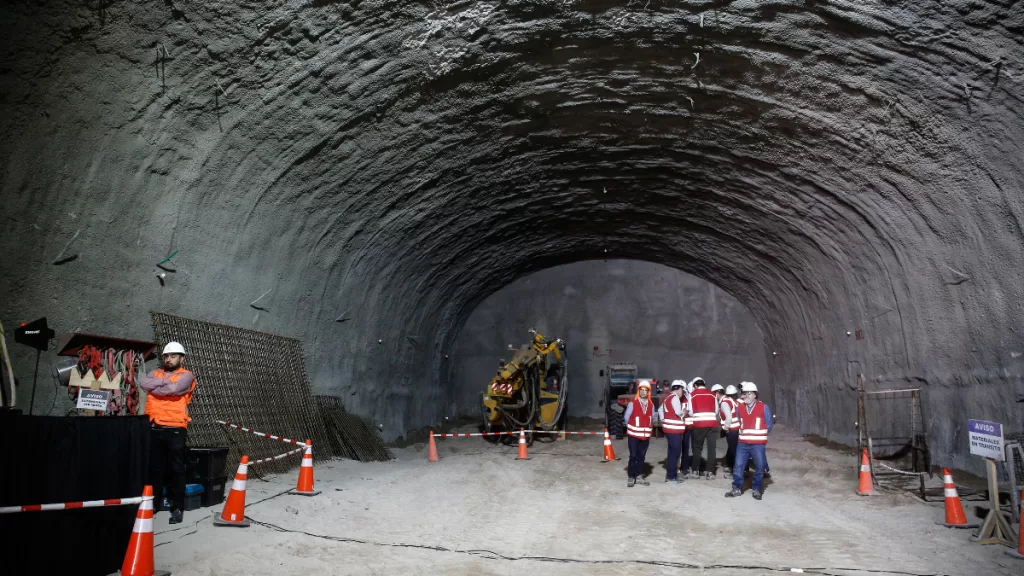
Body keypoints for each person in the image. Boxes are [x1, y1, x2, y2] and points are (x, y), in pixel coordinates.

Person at [140, 342, 197, 524]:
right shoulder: (156, 373)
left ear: (182, 358)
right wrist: (165, 382)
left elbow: (175, 389)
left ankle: (177, 507)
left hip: (175, 428)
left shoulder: (187, 375)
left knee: (176, 470)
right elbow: (143, 383)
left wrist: (158, 387)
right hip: (154, 426)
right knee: (154, 470)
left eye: (173, 356)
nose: (169, 359)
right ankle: (152, 506)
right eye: (166, 356)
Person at [725, 382, 772, 500]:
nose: (746, 395)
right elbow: (741, 422)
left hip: (758, 444)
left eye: (749, 393)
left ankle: (756, 489)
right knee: (738, 466)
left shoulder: (763, 407)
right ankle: (737, 488)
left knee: (759, 467)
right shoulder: (740, 407)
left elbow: (769, 425)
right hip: (743, 443)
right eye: (744, 393)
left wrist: (758, 435)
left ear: (755, 395)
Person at [623, 379, 654, 487]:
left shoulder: (651, 405)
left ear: (648, 392)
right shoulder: (633, 404)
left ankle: (639, 476)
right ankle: (632, 477)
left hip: (645, 437)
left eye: (646, 390)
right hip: (634, 436)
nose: (643, 392)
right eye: (641, 390)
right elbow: (626, 418)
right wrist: (632, 428)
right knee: (633, 456)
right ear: (639, 391)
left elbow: (652, 418)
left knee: (642, 457)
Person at [689, 378, 719, 478]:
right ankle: (710, 472)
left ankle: (695, 471)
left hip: (699, 424)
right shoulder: (712, 394)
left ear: (695, 386)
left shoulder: (693, 395)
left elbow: (690, 411)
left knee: (697, 448)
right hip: (712, 423)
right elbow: (716, 411)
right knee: (711, 449)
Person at [659, 380, 687, 483]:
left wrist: (663, 419)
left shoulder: (668, 398)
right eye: (682, 390)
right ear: (679, 389)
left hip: (669, 430)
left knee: (671, 453)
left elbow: (660, 409)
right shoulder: (675, 398)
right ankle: (671, 477)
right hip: (674, 430)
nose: (682, 392)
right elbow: (678, 412)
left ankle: (671, 475)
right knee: (675, 454)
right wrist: (684, 412)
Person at [680, 377, 698, 478]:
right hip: (685, 426)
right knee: (685, 448)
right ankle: (685, 468)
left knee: (695, 448)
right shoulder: (682, 399)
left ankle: (694, 468)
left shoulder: (694, 398)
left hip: (693, 426)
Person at [721, 385, 741, 474]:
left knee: (733, 450)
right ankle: (732, 466)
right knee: (734, 449)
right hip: (737, 429)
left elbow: (728, 417)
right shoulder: (735, 402)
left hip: (731, 429)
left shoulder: (726, 402)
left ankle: (734, 469)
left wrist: (725, 428)